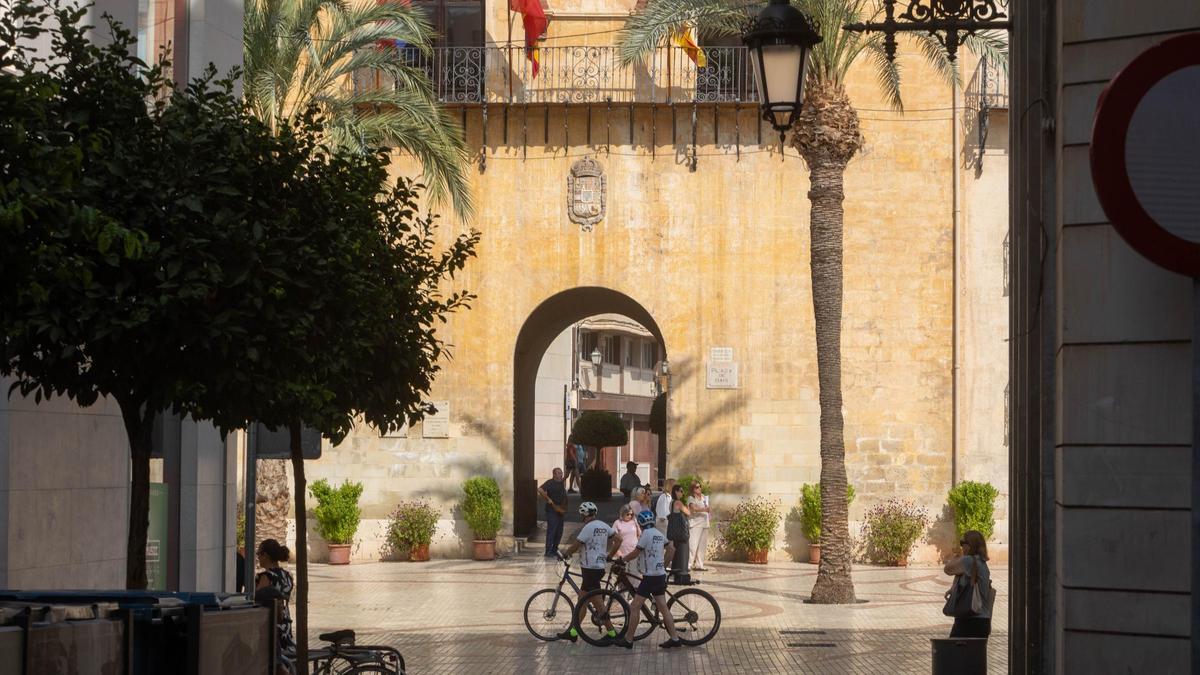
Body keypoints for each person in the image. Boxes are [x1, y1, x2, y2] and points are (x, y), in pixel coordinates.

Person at [610, 510, 686, 650]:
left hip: (650, 577)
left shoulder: (646, 535)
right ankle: (675, 638)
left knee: (635, 606)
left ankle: (628, 640)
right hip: (659, 576)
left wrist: (622, 560)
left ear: (641, 522)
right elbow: (672, 550)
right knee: (663, 608)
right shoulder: (658, 534)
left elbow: (635, 553)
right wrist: (663, 565)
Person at [556, 501, 621, 642]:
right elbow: (619, 540)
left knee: (598, 604)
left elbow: (576, 545)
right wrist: (609, 556)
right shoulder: (604, 526)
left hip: (590, 569)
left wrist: (565, 554)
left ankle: (612, 633)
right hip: (599, 567)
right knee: (582, 601)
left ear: (583, 514)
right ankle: (573, 632)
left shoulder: (588, 528)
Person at [944, 530, 993, 638]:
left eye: (963, 543)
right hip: (983, 621)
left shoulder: (968, 561)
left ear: (970, 545)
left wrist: (956, 557)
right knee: (975, 654)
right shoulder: (981, 562)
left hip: (969, 620)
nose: (961, 546)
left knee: (955, 653)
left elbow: (947, 569)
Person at [254, 539, 296, 664]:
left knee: (273, 662)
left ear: (265, 555)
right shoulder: (287, 575)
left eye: (259, 554)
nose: (258, 558)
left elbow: (258, 599)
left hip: (272, 624)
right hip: (286, 622)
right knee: (284, 662)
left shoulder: (266, 577)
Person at [538, 468, 568, 558]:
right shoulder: (550, 483)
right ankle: (548, 551)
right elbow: (540, 489)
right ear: (554, 474)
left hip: (560, 510)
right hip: (552, 510)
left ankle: (555, 549)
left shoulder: (561, 483)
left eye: (561, 473)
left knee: (559, 531)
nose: (560, 475)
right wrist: (548, 499)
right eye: (558, 473)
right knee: (552, 531)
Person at [667, 483, 691, 583]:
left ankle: (676, 574)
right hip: (682, 533)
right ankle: (682, 575)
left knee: (677, 554)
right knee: (683, 554)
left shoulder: (671, 503)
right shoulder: (678, 503)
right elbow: (688, 513)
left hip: (675, 533)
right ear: (676, 492)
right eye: (681, 491)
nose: (682, 493)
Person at [612, 502, 642, 579]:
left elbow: (639, 534)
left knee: (634, 575)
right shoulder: (617, 523)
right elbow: (614, 539)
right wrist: (618, 552)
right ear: (623, 514)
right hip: (622, 553)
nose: (630, 516)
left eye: (631, 514)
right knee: (622, 576)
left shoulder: (633, 522)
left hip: (633, 552)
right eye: (627, 514)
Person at [686, 479, 711, 572]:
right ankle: (688, 564)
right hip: (695, 524)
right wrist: (704, 509)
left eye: (700, 486)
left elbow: (707, 508)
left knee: (702, 546)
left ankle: (699, 565)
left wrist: (708, 510)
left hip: (705, 523)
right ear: (693, 489)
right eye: (697, 487)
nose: (699, 488)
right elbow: (693, 509)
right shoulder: (691, 498)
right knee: (692, 545)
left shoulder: (704, 497)